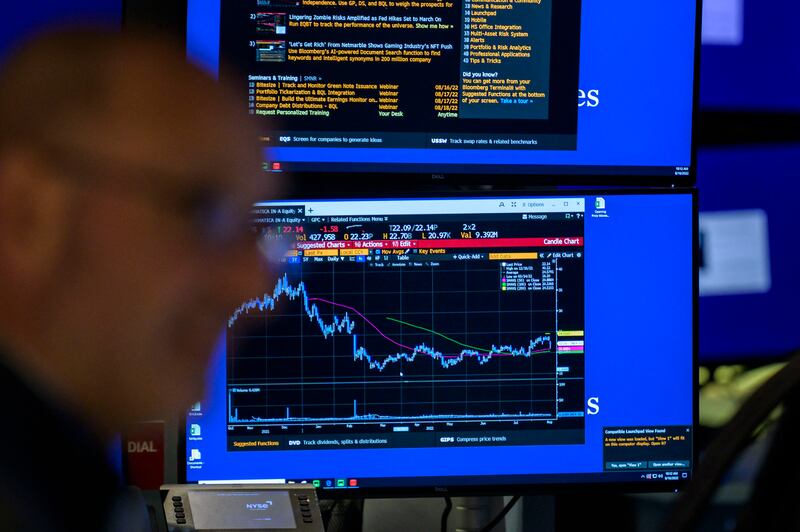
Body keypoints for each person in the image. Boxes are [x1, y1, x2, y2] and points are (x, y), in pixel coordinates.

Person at [0, 27, 278, 531]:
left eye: (251, 235)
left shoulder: (60, 491)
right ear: (28, 212)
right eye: (206, 214)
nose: (253, 289)